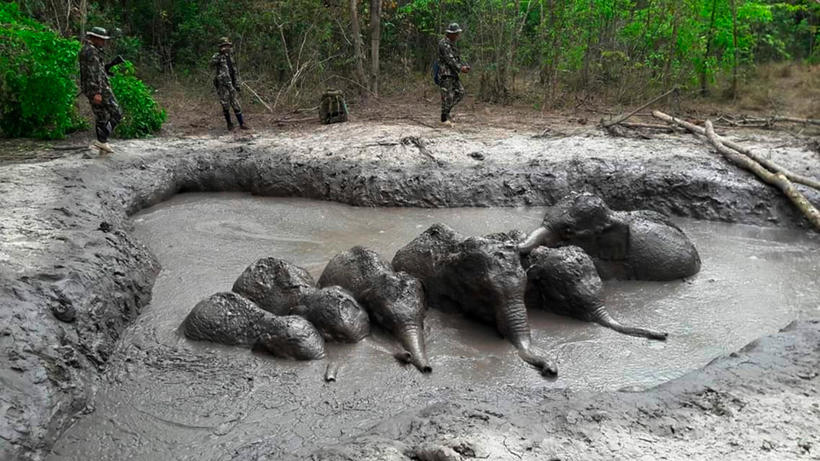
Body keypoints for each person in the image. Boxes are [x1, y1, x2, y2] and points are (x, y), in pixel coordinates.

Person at [79, 27, 122, 155]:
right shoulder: (91, 52)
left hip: (90, 88)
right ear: (95, 38)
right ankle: (102, 139)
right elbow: (93, 73)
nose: (104, 42)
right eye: (102, 39)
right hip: (99, 88)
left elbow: (94, 70)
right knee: (117, 113)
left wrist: (106, 69)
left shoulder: (86, 50)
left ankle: (102, 143)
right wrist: (97, 92)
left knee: (101, 115)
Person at [211, 37, 249, 131]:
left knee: (236, 104)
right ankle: (229, 124)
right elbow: (211, 64)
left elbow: (234, 70)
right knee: (225, 104)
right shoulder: (217, 56)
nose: (226, 47)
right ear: (221, 47)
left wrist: (237, 84)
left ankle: (241, 123)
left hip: (231, 83)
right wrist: (219, 54)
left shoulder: (230, 56)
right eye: (224, 46)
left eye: (227, 45)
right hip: (223, 84)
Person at [437, 23, 470, 127]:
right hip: (445, 74)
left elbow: (456, 58)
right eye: (455, 34)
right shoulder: (443, 43)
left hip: (453, 73)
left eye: (457, 34)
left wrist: (463, 65)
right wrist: (460, 68)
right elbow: (450, 60)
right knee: (446, 96)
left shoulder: (452, 44)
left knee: (460, 92)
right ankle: (443, 119)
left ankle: (446, 113)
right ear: (450, 33)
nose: (457, 36)